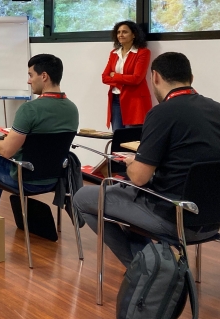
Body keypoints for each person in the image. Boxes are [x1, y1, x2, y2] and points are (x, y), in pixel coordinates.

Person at [74, 52, 220, 267]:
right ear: (191, 78)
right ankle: (154, 265)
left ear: (155, 77)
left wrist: (133, 163)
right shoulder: (216, 109)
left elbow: (140, 178)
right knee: (120, 199)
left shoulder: (162, 113)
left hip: (173, 218)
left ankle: (144, 270)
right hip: (211, 220)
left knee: (84, 197)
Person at [0, 54, 79, 234]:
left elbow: (6, 151)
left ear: (44, 76)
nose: (28, 81)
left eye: (31, 75)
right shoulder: (72, 109)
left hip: (24, 179)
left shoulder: (29, 109)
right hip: (55, 180)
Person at [102, 20, 152, 131]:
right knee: (118, 138)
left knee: (132, 142)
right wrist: (122, 79)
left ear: (134, 34)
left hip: (135, 101)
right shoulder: (114, 53)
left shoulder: (143, 52)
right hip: (115, 100)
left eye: (125, 32)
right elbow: (104, 77)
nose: (120, 35)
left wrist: (114, 76)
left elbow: (136, 79)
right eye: (118, 32)